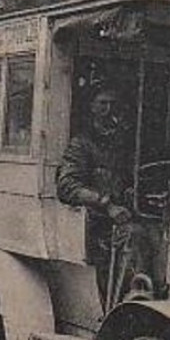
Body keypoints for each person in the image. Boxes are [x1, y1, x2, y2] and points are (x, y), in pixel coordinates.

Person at [56, 85, 141, 300]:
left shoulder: (125, 144)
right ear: (92, 107)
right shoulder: (81, 145)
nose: (109, 110)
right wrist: (106, 204)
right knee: (131, 239)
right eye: (103, 104)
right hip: (97, 225)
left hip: (124, 219)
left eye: (113, 104)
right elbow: (66, 185)